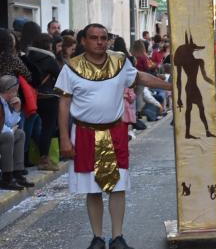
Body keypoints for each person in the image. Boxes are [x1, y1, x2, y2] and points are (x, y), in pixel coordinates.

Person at [55, 23, 171, 249]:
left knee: (118, 187)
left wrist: (171, 86)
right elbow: (64, 103)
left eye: (103, 38)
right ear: (84, 41)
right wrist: (64, 138)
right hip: (84, 133)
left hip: (114, 132)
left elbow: (141, 78)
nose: (99, 41)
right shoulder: (71, 68)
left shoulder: (119, 62)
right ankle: (97, 238)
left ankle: (117, 237)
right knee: (92, 188)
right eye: (94, 37)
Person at [28, 33, 61, 171]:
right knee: (48, 128)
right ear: (49, 45)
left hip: (31, 97)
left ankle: (30, 157)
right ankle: (44, 158)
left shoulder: (28, 58)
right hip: (48, 98)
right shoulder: (50, 60)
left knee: (33, 127)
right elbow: (60, 77)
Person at [0, 75, 34, 190]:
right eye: (16, 91)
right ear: (10, 90)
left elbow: (10, 122)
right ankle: (6, 178)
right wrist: (10, 130)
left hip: (4, 132)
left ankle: (17, 173)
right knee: (8, 135)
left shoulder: (4, 102)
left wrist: (17, 109)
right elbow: (6, 128)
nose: (16, 94)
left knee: (19, 133)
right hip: (3, 134)